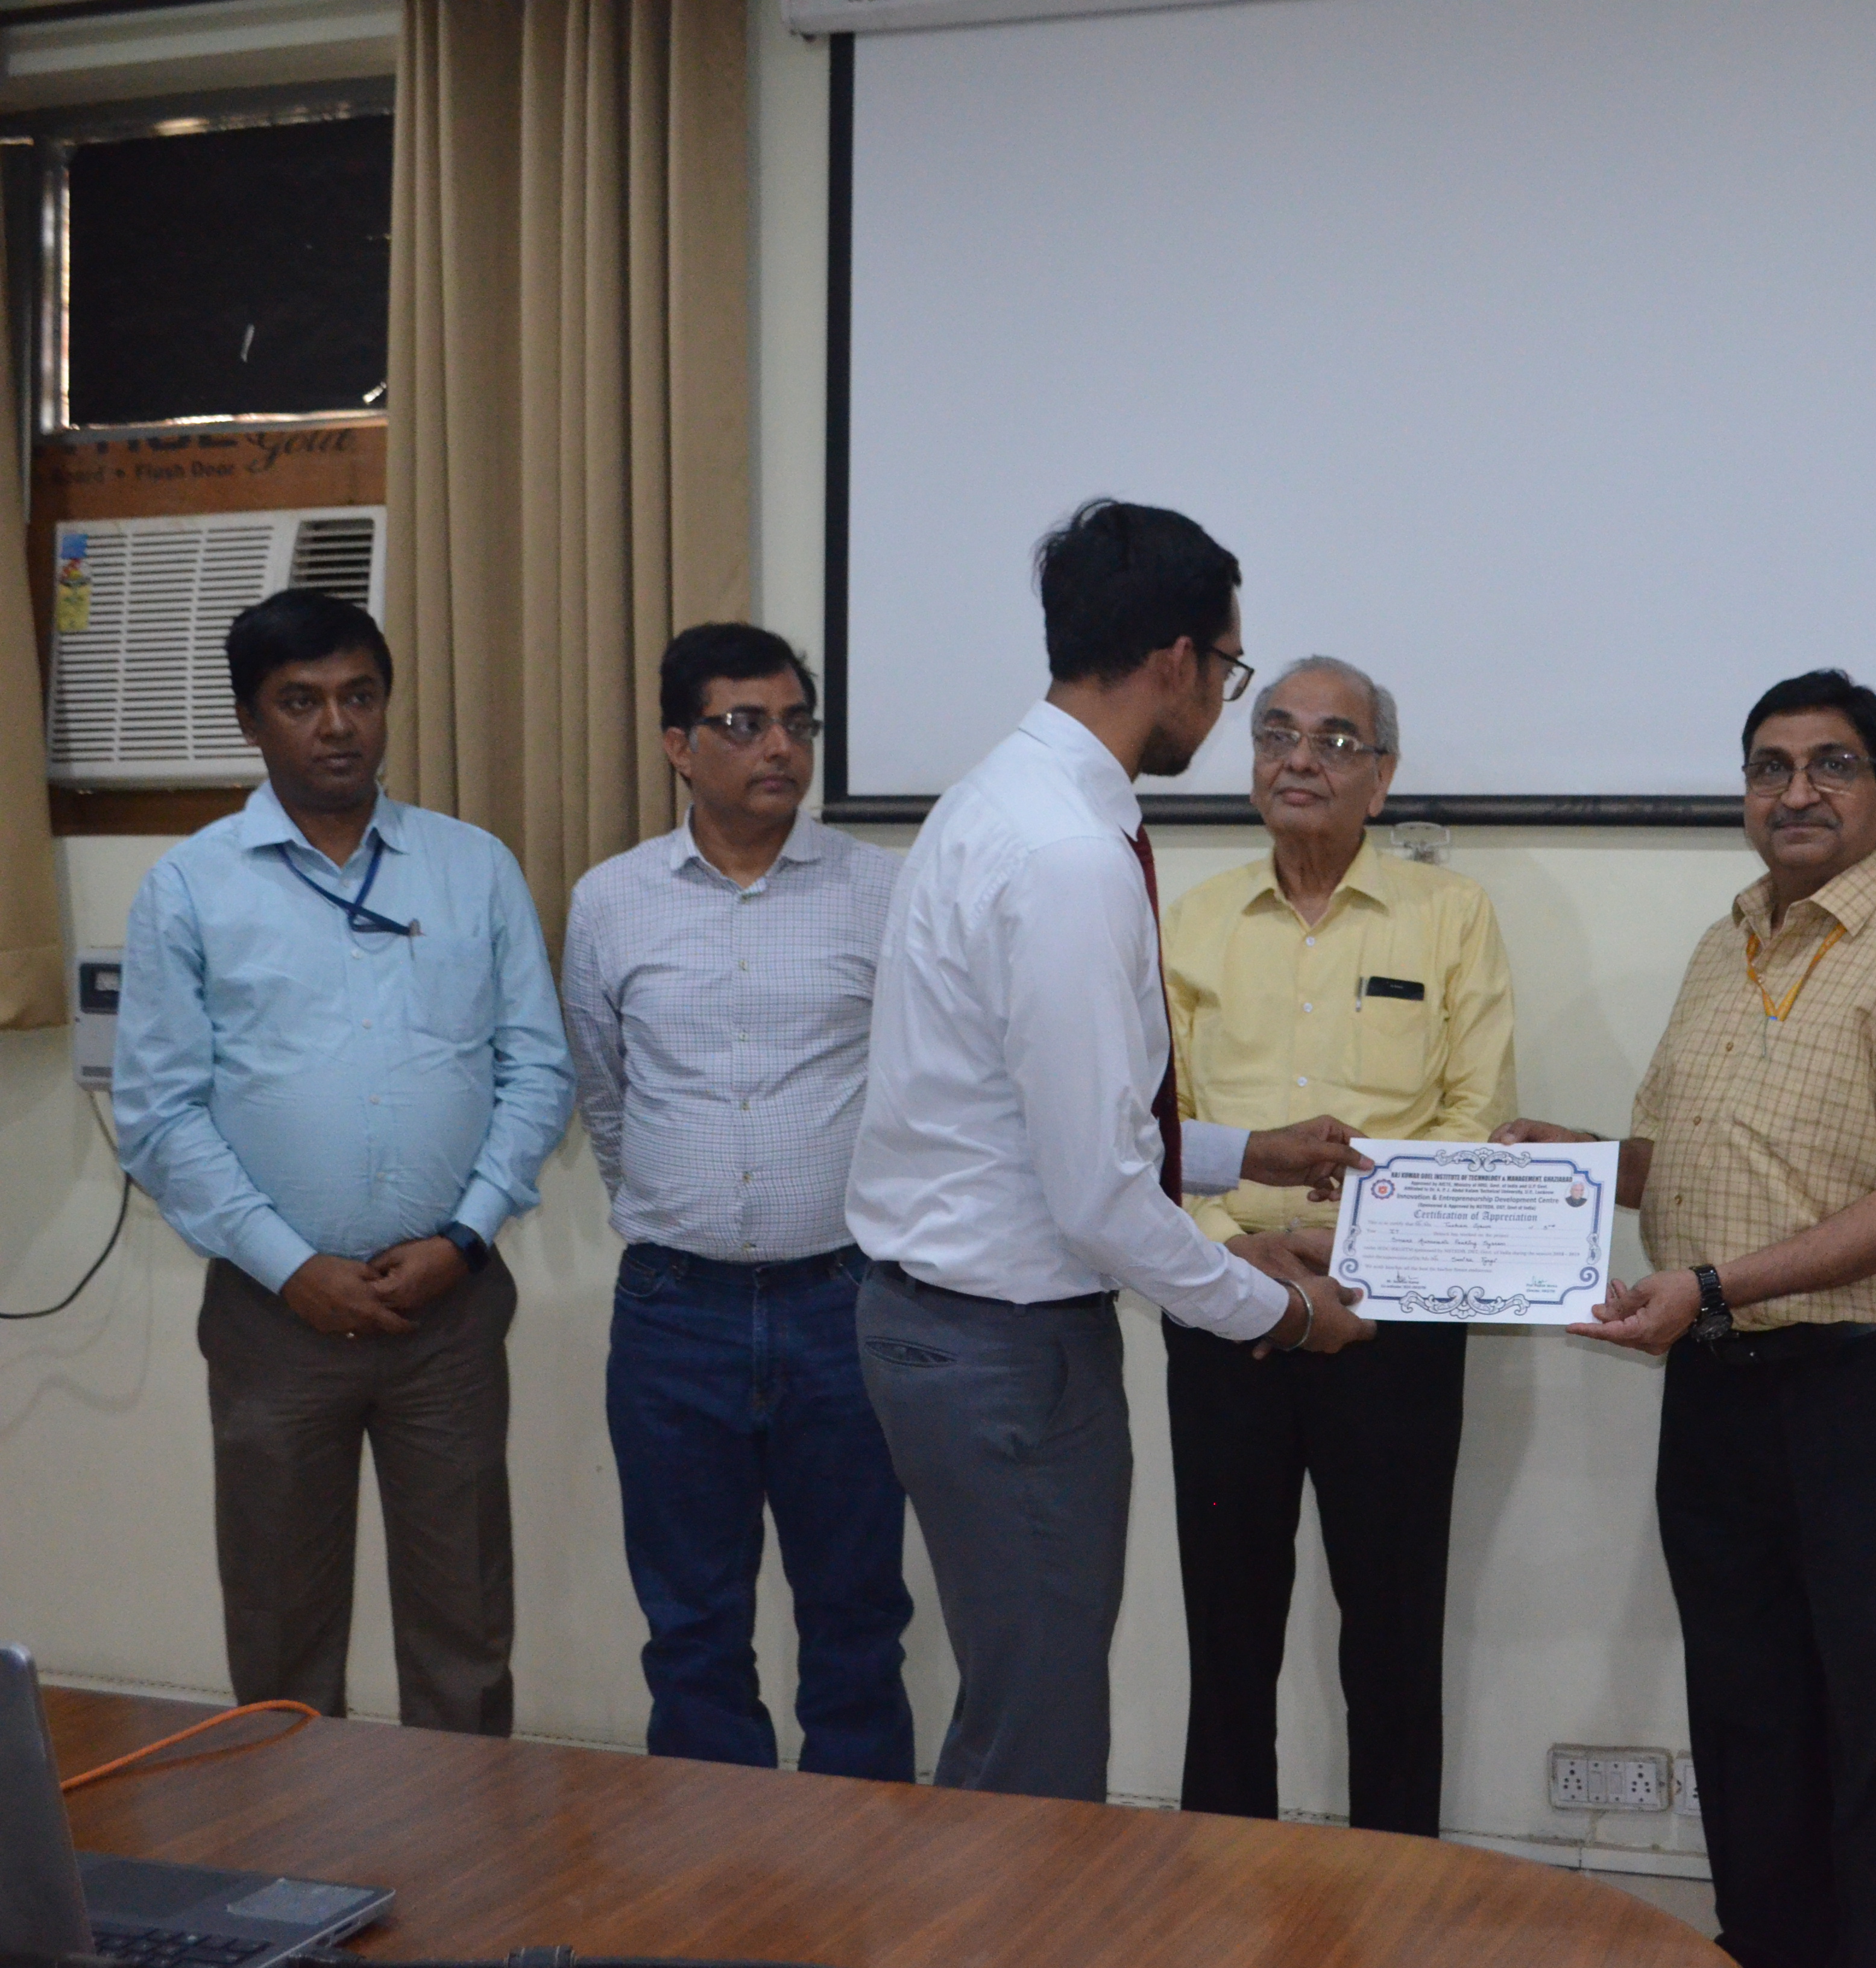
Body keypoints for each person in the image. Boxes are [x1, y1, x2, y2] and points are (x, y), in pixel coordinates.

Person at [843, 498, 1377, 1803]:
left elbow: (1033, 1114)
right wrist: (1282, 1313)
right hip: (1005, 1351)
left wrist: (1250, 1153)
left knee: (1018, 1713)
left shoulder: (1003, 796)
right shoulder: (1068, 856)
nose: (1224, 709)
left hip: (958, 1329)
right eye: (1233, 675)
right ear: (1178, 661)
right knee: (1039, 1748)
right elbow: (1095, 1194)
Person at [1499, 669, 1876, 1968]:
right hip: (1719, 1373)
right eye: (1769, 768)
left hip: (1864, 1386)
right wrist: (1582, 1164)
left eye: (1830, 765)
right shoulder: (1726, 940)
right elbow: (1696, 1162)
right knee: (1745, 1701)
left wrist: (1716, 1288)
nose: (1796, 792)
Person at [113, 587, 571, 1735]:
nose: (337, 726)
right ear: (250, 720)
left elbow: (536, 1071)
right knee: (281, 1628)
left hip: (448, 1312)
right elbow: (161, 1116)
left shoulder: (472, 868)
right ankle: (287, 1844)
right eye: (301, 701)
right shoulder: (191, 887)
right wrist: (290, 1266)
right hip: (276, 1318)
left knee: (466, 1625)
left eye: (360, 696)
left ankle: (465, 1839)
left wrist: (465, 1237)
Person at [1160, 655, 1519, 1837]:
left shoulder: (1449, 915)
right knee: (1227, 1641)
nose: (1300, 761)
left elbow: (1475, 1116)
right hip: (1226, 1316)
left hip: (1390, 1322)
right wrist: (1233, 1253)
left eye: (1333, 741)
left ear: (1383, 776)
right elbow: (1156, 1126)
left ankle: (1397, 1893)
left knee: (1395, 1640)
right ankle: (1224, 1889)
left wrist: (1356, 1251)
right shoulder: (1190, 921)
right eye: (1276, 735)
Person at [560, 623, 914, 1780]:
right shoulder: (610, 901)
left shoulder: (882, 891)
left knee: (857, 1620)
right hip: (675, 1313)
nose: (780, 749)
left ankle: (858, 1869)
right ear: (678, 745)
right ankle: (715, 1872)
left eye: (797, 724)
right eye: (744, 725)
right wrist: (682, 1210)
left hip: (843, 1304)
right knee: (693, 1627)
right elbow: (606, 1094)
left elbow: (920, 1085)